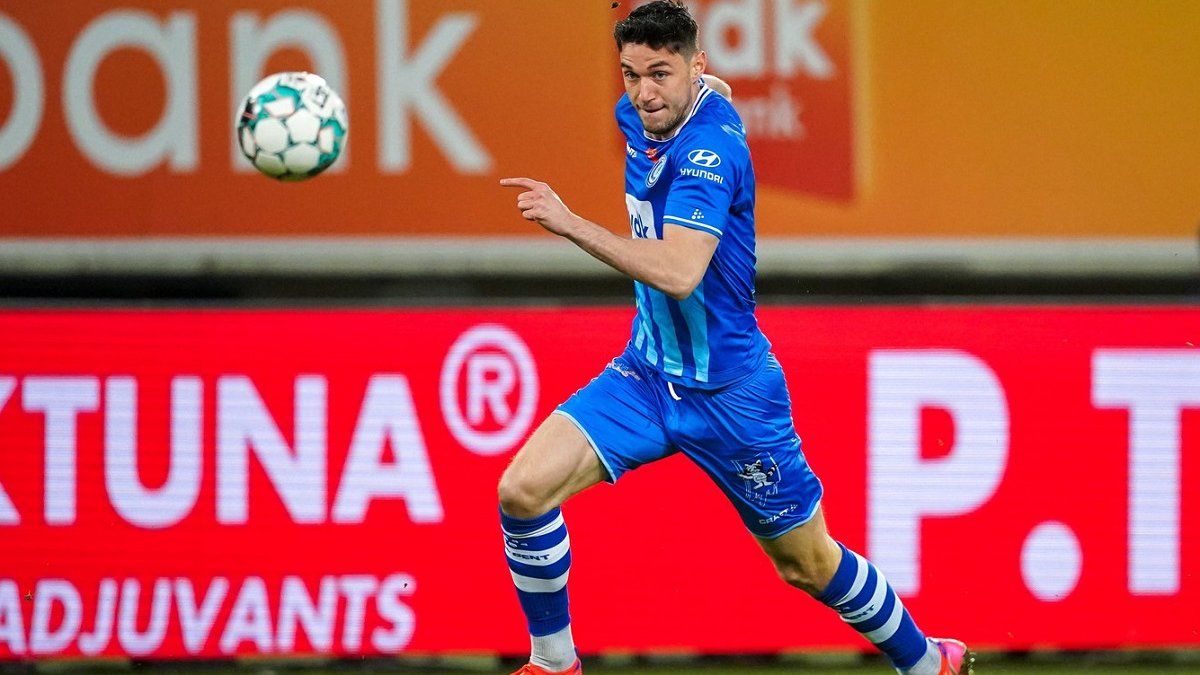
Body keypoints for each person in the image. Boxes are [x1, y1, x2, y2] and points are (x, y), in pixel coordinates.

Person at [497, 2, 973, 674]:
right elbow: (707, 90)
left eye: (661, 73)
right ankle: (554, 663)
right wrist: (693, 80)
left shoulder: (710, 153)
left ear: (696, 64)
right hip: (646, 375)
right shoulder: (646, 112)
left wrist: (569, 222)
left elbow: (679, 272)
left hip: (732, 394)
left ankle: (926, 662)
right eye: (631, 74)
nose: (644, 92)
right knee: (521, 491)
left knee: (808, 564)